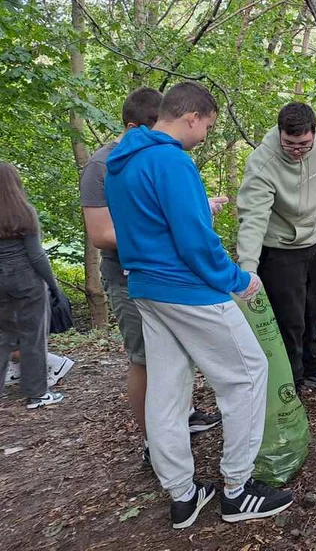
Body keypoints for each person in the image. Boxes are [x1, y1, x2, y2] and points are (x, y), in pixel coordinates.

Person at [105, 81, 293, 528]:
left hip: (147, 290)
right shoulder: (171, 160)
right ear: (191, 117)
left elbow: (148, 227)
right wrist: (237, 279)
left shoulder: (121, 163)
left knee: (167, 393)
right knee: (247, 376)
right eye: (207, 125)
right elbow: (194, 241)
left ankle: (183, 496)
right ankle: (237, 490)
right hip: (188, 290)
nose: (205, 135)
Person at [80, 87, 221, 467]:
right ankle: (151, 442)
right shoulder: (105, 165)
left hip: (169, 274)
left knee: (176, 355)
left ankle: (181, 418)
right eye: (149, 128)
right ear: (132, 126)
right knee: (145, 359)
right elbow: (100, 233)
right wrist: (162, 232)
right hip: (128, 276)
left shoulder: (164, 157)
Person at [236, 102, 316, 393]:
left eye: (304, 144)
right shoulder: (262, 163)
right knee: (289, 319)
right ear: (280, 134)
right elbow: (253, 218)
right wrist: (248, 268)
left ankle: (313, 367)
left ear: (313, 134)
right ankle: (291, 382)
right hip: (279, 248)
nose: (297, 151)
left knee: (313, 308)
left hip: (313, 239)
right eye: (290, 144)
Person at [0, 162, 64, 409]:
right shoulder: (24, 212)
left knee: (3, 337)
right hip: (27, 281)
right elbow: (37, 256)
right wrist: (53, 285)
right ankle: (37, 394)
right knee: (32, 337)